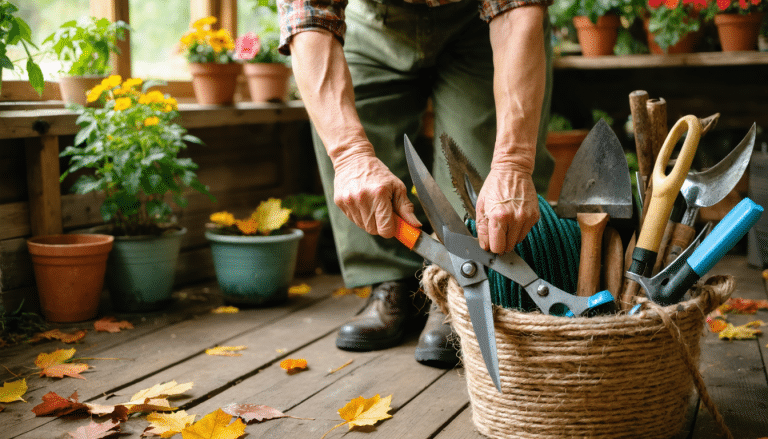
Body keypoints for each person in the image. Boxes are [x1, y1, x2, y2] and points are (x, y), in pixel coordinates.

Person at [277, 0, 553, 367]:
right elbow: (308, 16)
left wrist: (513, 163)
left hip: (481, 21)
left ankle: (454, 289)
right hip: (373, 21)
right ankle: (390, 284)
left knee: (480, 168)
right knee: (355, 140)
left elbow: (518, 10)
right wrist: (350, 155)